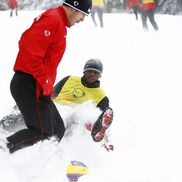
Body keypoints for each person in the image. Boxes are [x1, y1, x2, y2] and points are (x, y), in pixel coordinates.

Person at [3, 0, 92, 154]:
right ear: (75, 7)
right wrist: (45, 81)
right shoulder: (53, 19)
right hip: (29, 83)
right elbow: (29, 50)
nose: (82, 19)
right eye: (83, 14)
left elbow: (26, 41)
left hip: (38, 85)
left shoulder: (59, 22)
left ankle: (45, 164)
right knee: (41, 131)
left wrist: (47, 84)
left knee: (57, 129)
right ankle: (3, 148)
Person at [0, 59, 113, 152]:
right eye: (89, 71)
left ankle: (55, 154)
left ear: (100, 75)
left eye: (96, 72)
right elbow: (50, 92)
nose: (92, 74)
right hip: (54, 107)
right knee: (30, 115)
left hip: (72, 117)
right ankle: (3, 127)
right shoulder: (70, 79)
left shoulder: (101, 97)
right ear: (84, 71)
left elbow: (101, 120)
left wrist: (106, 141)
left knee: (78, 118)